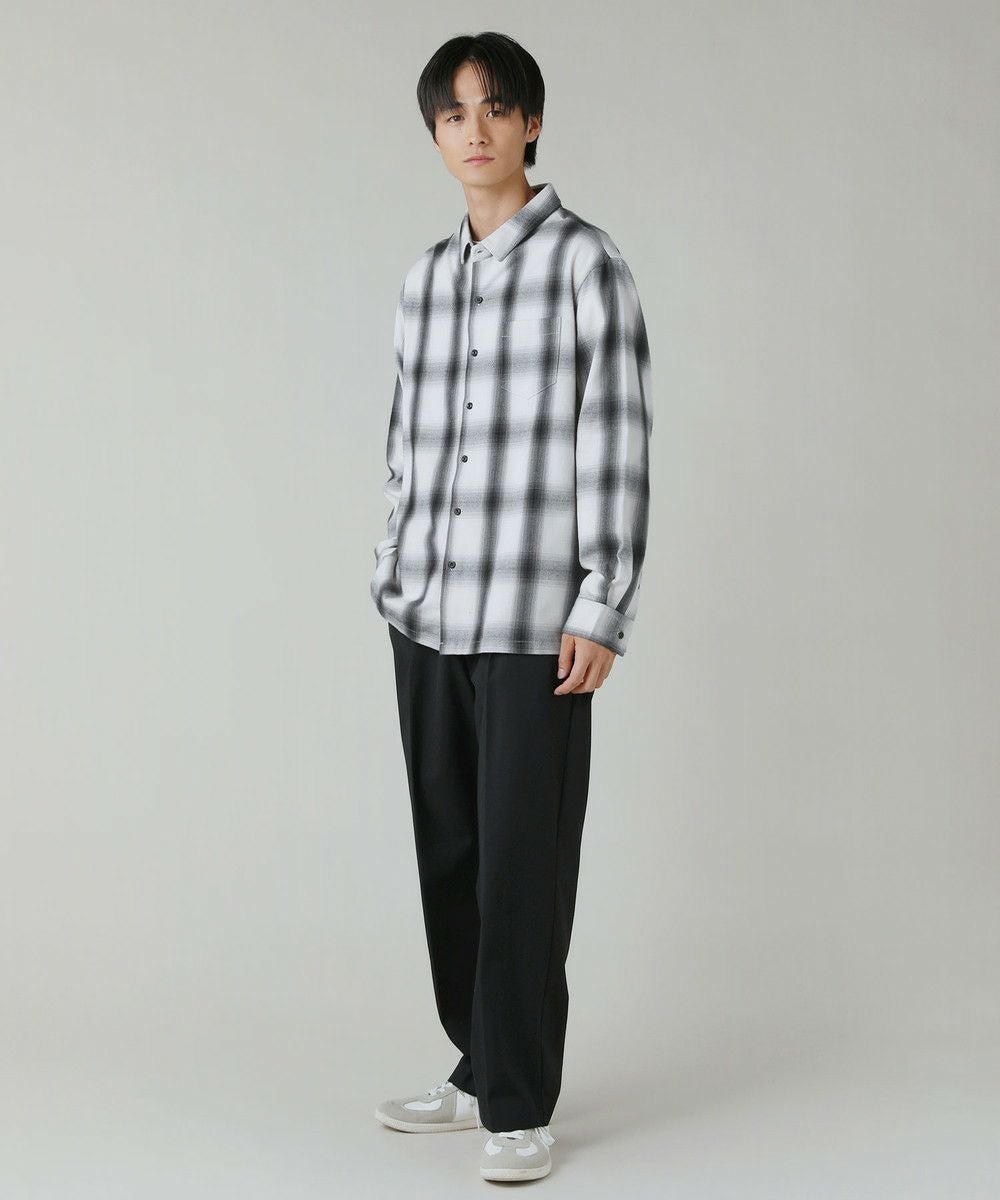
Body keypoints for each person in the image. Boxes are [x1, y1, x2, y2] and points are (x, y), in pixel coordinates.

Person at [369, 30, 653, 1183]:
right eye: (453, 114)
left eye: (495, 109)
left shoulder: (587, 265)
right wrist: (391, 564)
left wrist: (602, 603)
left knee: (522, 863)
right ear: (435, 134)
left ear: (531, 122)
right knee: (450, 852)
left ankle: (521, 1100)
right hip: (426, 610)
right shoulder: (423, 280)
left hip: (538, 619)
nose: (474, 131)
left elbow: (616, 435)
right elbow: (405, 440)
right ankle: (479, 1063)